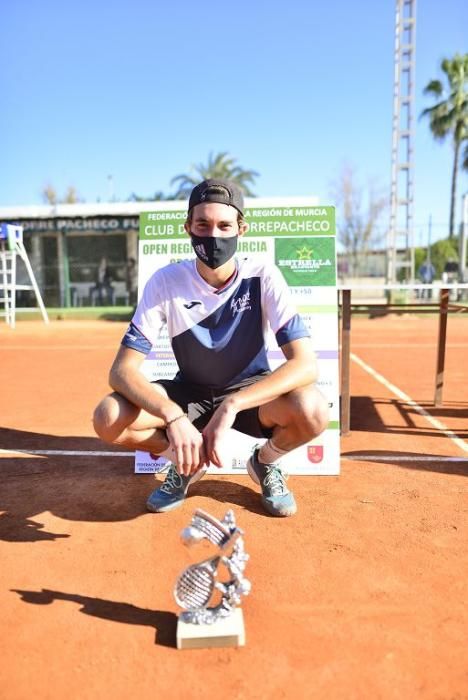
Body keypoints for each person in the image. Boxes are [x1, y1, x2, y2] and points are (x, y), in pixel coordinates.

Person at [93, 179, 329, 517]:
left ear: (241, 229)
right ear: (188, 227)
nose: (213, 235)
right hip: (190, 394)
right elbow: (121, 371)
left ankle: (265, 463)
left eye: (224, 225)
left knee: (314, 409)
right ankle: (184, 462)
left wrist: (232, 404)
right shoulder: (165, 281)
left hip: (250, 397)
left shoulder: (262, 276)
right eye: (202, 224)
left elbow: (305, 364)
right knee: (108, 417)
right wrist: (172, 416)